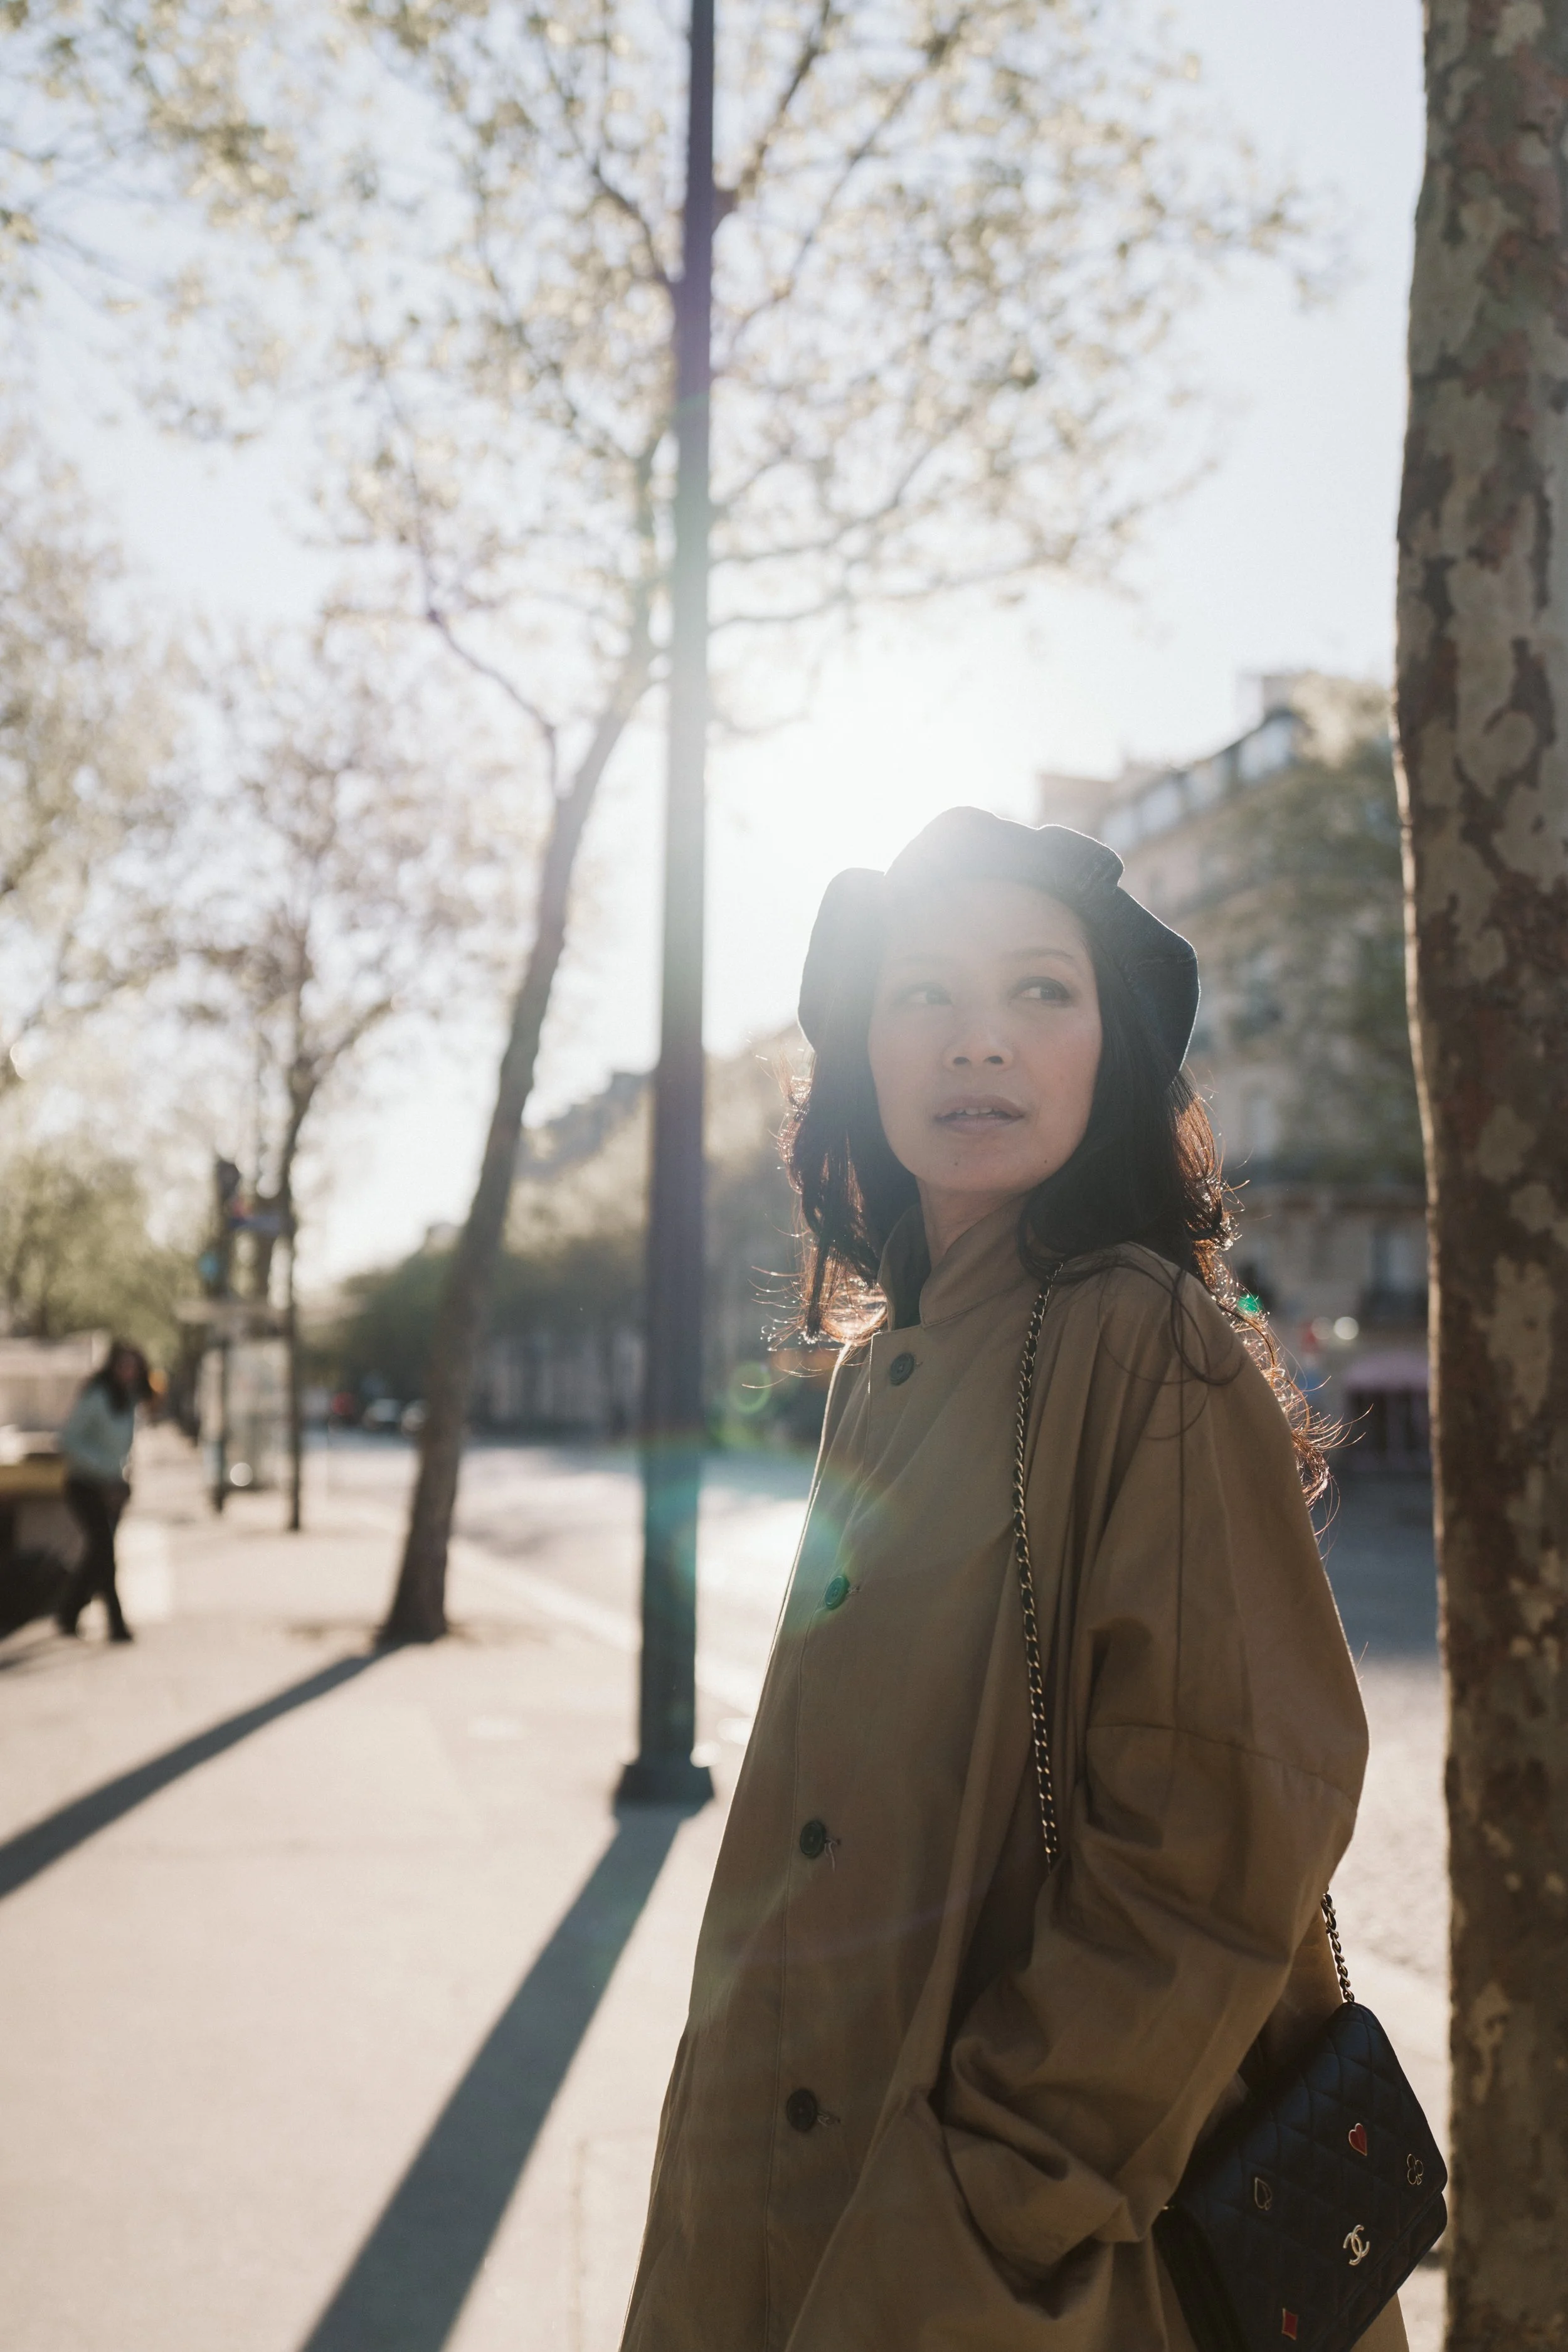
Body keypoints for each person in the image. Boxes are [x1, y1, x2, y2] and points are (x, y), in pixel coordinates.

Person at [622, 810, 1405, 2351]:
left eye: (1040, 991)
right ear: (864, 1049)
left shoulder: (1143, 1340)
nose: (978, 1037)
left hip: (1010, 2270)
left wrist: (989, 2200)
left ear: (1111, 1050)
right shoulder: (880, 1369)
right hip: (790, 2193)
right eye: (924, 994)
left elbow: (1225, 1824)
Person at [55, 1339, 151, 1643]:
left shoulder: (130, 1398)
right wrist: (103, 1474)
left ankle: (68, 1614)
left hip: (113, 1489)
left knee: (98, 1555)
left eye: (133, 1366)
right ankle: (116, 1625)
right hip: (85, 1486)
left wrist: (121, 1480)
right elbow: (70, 1440)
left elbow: (125, 1449)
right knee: (105, 1554)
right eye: (123, 1365)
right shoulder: (97, 1396)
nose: (128, 1371)